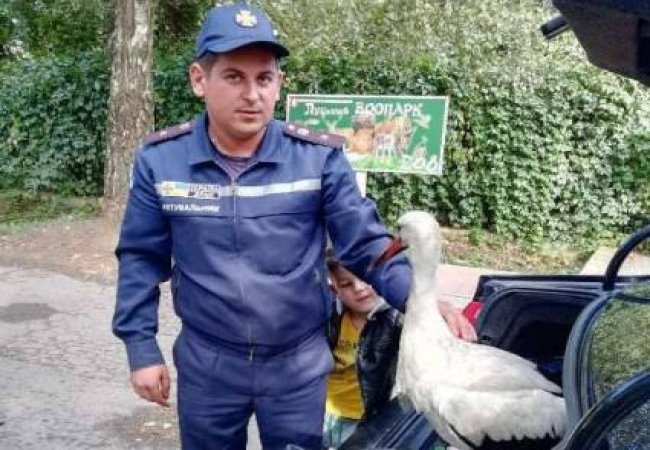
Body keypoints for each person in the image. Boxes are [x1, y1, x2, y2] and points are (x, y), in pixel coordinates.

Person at [112, 3, 413, 450]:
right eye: (234, 77)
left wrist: (422, 300)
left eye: (264, 78)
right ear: (199, 79)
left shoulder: (317, 159)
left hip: (297, 368)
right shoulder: (162, 162)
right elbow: (140, 258)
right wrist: (141, 349)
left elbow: (366, 243)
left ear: (278, 84)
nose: (252, 94)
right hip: (208, 367)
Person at [323, 255, 477, 448]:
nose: (360, 288)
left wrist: (434, 310)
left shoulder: (399, 320)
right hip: (325, 413)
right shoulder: (329, 316)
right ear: (335, 288)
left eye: (367, 279)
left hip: (371, 420)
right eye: (346, 284)